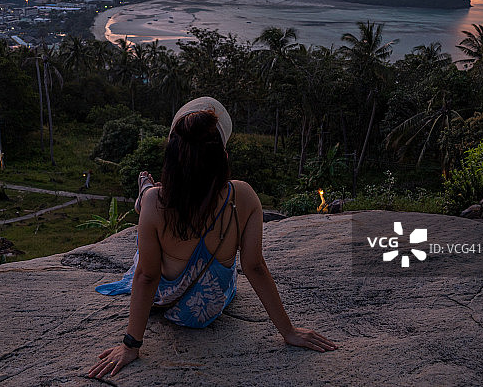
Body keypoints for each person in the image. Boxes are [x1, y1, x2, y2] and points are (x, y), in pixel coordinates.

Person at [88, 97, 337, 379]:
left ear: (171, 160)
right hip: (205, 311)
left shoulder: (157, 204)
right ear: (224, 159)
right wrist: (288, 331)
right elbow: (254, 267)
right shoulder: (243, 196)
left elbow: (146, 275)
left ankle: (143, 193)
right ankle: (144, 195)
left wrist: (130, 345)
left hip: (161, 299)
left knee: (149, 211)